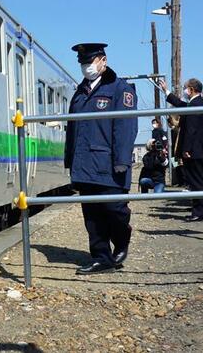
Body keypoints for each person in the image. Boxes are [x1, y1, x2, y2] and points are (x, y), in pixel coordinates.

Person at [64, 43, 138, 274]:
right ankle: (101, 257)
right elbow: (72, 129)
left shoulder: (120, 89)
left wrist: (122, 160)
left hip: (109, 163)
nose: (87, 67)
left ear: (103, 61)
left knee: (115, 208)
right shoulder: (80, 92)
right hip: (85, 164)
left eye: (91, 61)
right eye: (83, 63)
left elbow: (125, 127)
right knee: (92, 214)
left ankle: (122, 238)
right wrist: (70, 161)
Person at [158, 77, 203, 221]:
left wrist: (187, 149)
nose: (184, 90)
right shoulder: (199, 104)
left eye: (185, 87)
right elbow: (180, 104)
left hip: (193, 151)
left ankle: (199, 212)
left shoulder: (194, 106)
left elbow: (191, 131)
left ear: (191, 90)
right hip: (200, 150)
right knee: (199, 179)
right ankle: (200, 209)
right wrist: (166, 91)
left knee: (196, 181)